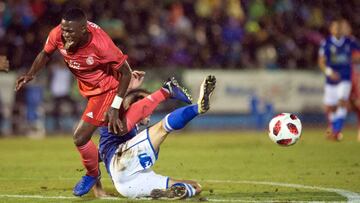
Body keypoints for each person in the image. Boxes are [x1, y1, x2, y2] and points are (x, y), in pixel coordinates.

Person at [14, 8, 192, 196]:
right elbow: (45, 53)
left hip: (106, 89)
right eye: (63, 30)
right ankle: (165, 91)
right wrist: (30, 74)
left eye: (70, 31)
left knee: (81, 137)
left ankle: (92, 175)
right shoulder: (58, 33)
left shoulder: (100, 43)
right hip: (89, 90)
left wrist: (114, 106)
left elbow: (125, 72)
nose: (65, 35)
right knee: (121, 129)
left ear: (84, 30)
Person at [98, 75, 216, 200]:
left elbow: (93, 160)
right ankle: (197, 108)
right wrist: (129, 89)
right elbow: (128, 105)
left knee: (195, 187)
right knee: (162, 128)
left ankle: (166, 194)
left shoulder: (125, 130)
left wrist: (97, 189)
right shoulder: (117, 120)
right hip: (120, 161)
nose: (151, 110)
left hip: (128, 185)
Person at [318, 19, 360, 141]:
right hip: (331, 79)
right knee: (329, 107)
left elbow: (357, 55)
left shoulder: (349, 41)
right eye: (335, 27)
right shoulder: (326, 43)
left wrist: (352, 59)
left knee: (342, 101)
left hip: (345, 77)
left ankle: (336, 131)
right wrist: (329, 72)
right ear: (331, 29)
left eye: (339, 27)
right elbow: (321, 61)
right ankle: (333, 127)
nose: (337, 30)